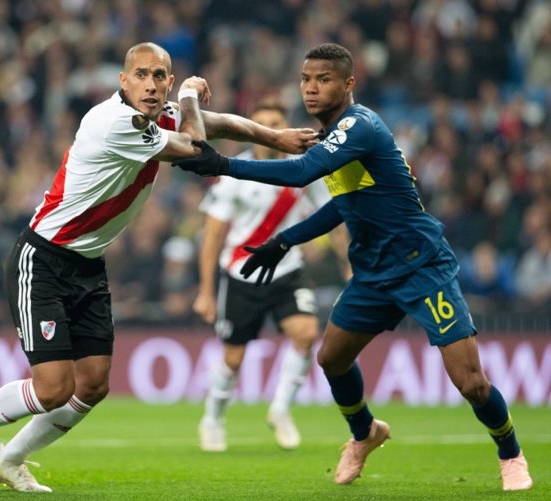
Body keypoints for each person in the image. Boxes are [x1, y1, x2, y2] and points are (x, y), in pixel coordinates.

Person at [0, 42, 317, 493]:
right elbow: (196, 147)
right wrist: (191, 93)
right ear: (123, 80)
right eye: (141, 75)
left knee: (93, 385)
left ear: (167, 82)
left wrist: (276, 138)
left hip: (87, 264)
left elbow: (221, 123)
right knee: (54, 388)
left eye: (160, 76)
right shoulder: (115, 122)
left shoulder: (158, 115)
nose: (151, 85)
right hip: (44, 259)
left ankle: (10, 460)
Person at [173, 43, 533, 491]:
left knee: (472, 383)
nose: (311, 88)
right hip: (373, 273)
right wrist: (286, 239)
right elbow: (344, 205)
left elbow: (303, 171)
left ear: (348, 85)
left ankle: (510, 453)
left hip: (422, 267)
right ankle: (365, 434)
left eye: (323, 79)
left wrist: (224, 164)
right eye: (306, 79)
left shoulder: (359, 126)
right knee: (331, 358)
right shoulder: (334, 136)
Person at [195, 99, 334, 452]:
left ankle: (281, 409)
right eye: (262, 124)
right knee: (233, 359)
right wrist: (207, 291)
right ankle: (213, 417)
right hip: (241, 273)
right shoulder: (233, 172)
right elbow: (212, 236)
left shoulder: (305, 167)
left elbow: (333, 210)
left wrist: (345, 258)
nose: (270, 131)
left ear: (284, 129)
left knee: (305, 334)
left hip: (287, 269)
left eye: (276, 123)